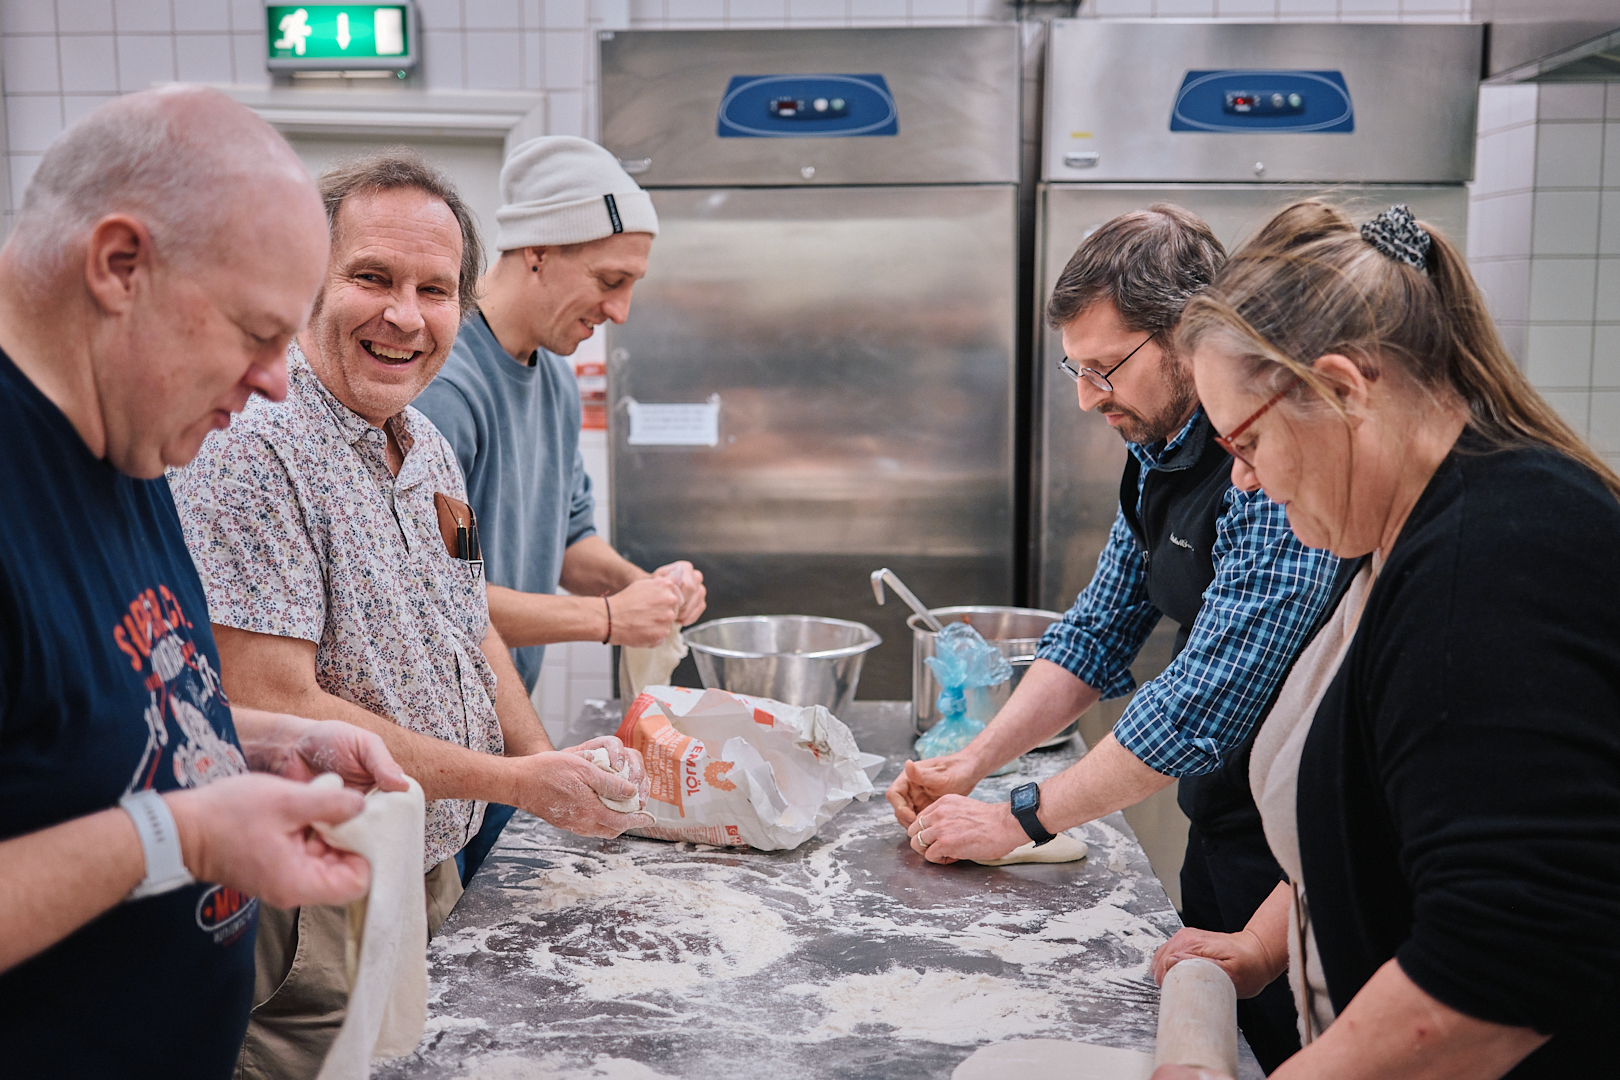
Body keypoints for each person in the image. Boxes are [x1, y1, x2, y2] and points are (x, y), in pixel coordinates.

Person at [170, 150, 652, 1080]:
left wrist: (548, 765)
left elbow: (471, 626)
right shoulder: (256, 446)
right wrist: (516, 783)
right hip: (318, 887)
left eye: (434, 290)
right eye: (372, 277)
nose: (405, 316)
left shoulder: (424, 443)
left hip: (429, 862)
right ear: (309, 281)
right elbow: (278, 699)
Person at [1151, 201, 1620, 1078]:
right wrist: (1260, 946)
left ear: (1341, 389)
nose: (1241, 481)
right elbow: (1397, 821)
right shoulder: (1398, 536)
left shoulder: (1501, 556)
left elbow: (1508, 960)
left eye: (1246, 442)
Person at [0, 87, 410, 1080]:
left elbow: (102, 710)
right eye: (256, 333)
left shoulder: (130, 428)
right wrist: (181, 835)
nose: (278, 380)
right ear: (120, 265)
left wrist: (263, 741)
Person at [888, 205, 1346, 1070]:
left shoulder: (1266, 461)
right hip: (1222, 819)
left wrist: (1017, 818)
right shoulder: (1158, 446)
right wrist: (973, 762)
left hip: (1307, 853)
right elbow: (1099, 628)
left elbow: (1202, 701)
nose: (1086, 396)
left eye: (1104, 369)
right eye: (1076, 368)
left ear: (1188, 334)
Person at [415, 136, 706, 882]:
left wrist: (644, 590)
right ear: (538, 251)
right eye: (610, 280)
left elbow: (572, 541)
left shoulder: (552, 379)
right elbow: (440, 599)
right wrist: (608, 619)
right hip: (439, 757)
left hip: (508, 733)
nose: (621, 310)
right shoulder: (447, 390)